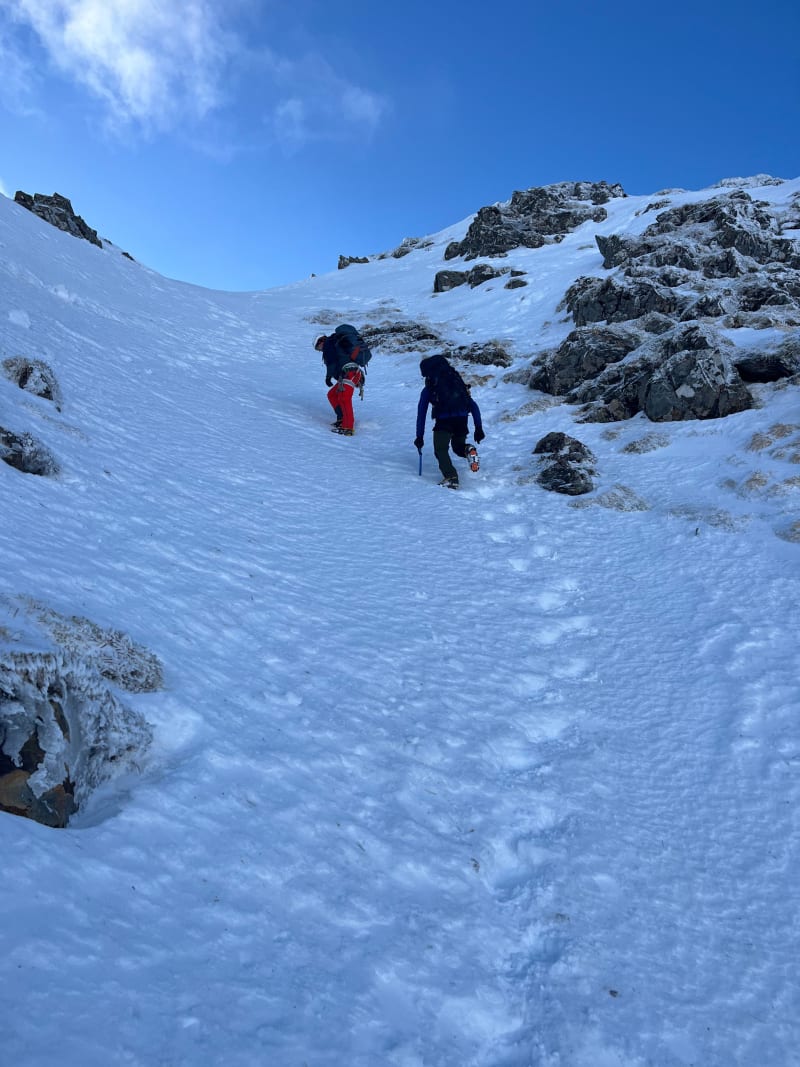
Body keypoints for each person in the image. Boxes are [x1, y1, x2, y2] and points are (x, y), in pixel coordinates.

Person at [414, 354, 485, 489]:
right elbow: (473, 405)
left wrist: (419, 436)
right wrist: (478, 427)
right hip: (462, 419)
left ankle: (451, 477)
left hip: (443, 422)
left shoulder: (430, 388)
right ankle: (468, 450)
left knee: (440, 449)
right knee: (458, 447)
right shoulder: (457, 383)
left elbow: (421, 413)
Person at [314, 326, 368, 436]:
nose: (320, 350)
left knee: (344, 398)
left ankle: (348, 427)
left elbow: (332, 363)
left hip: (349, 373)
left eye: (318, 347)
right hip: (348, 374)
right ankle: (342, 418)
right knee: (332, 394)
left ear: (321, 341)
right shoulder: (334, 343)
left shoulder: (328, 344)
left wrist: (328, 377)